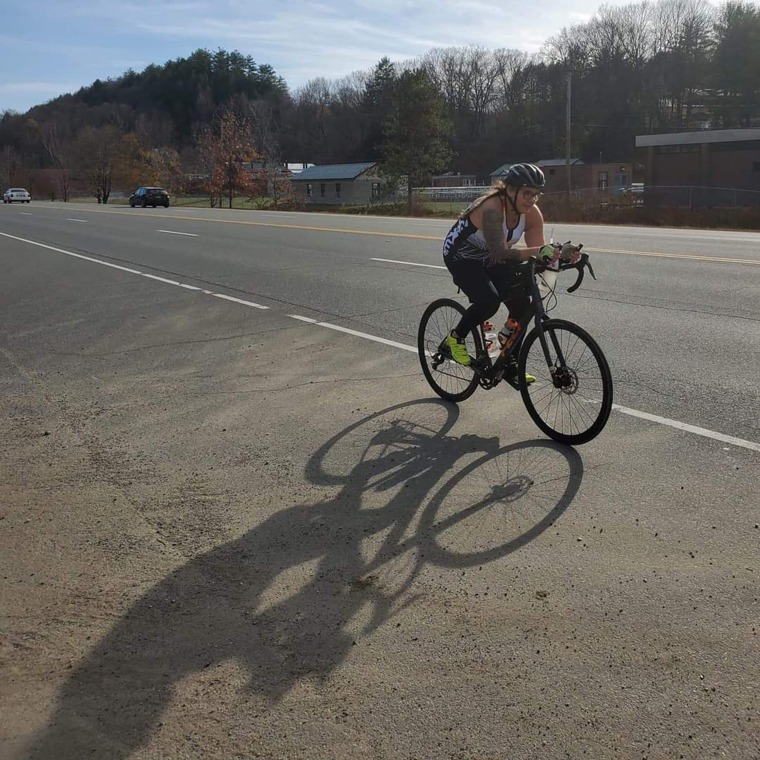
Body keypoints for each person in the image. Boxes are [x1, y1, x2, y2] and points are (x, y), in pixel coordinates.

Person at [441, 163, 579, 377]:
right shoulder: (492, 207)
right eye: (527, 193)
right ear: (510, 189)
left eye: (536, 194)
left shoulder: (532, 214)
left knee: (523, 306)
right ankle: (455, 339)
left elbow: (537, 255)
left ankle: (506, 359)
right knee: (488, 301)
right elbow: (501, 253)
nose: (532, 199)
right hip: (461, 255)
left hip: (491, 256)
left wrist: (561, 256)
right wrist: (543, 251)